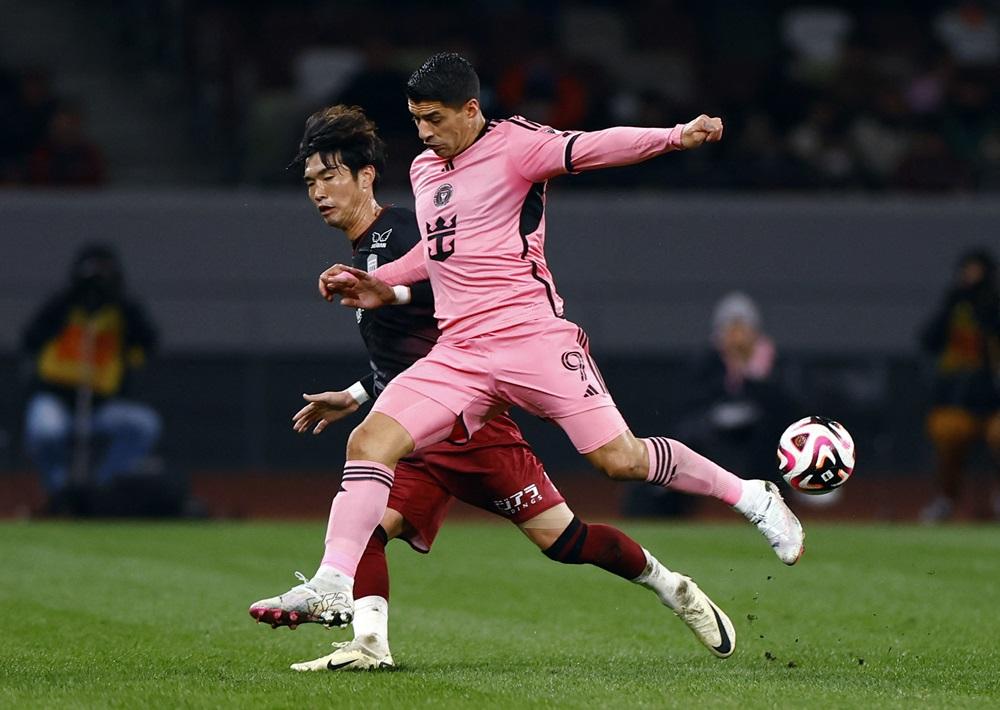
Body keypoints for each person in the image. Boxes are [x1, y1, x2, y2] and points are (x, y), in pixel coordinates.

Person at [252, 53, 804, 645]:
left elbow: (593, 147)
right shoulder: (424, 170)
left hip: (531, 339)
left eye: (434, 118)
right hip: (460, 352)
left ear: (470, 110)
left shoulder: (516, 145)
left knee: (620, 461)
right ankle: (335, 582)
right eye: (416, 119)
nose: (424, 132)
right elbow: (438, 252)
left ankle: (751, 495)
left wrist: (674, 136)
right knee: (369, 441)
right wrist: (383, 282)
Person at [21, 244, 161, 513]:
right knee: (45, 430)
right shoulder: (63, 306)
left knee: (143, 424)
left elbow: (150, 341)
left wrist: (119, 300)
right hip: (57, 399)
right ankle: (59, 492)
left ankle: (104, 489)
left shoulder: (122, 311)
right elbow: (30, 338)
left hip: (100, 405)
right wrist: (73, 297)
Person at [919, 248, 1000, 522]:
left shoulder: (993, 307)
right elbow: (928, 341)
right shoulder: (954, 305)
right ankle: (945, 499)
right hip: (959, 401)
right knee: (946, 431)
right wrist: (950, 306)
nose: (970, 277)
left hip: (994, 403)